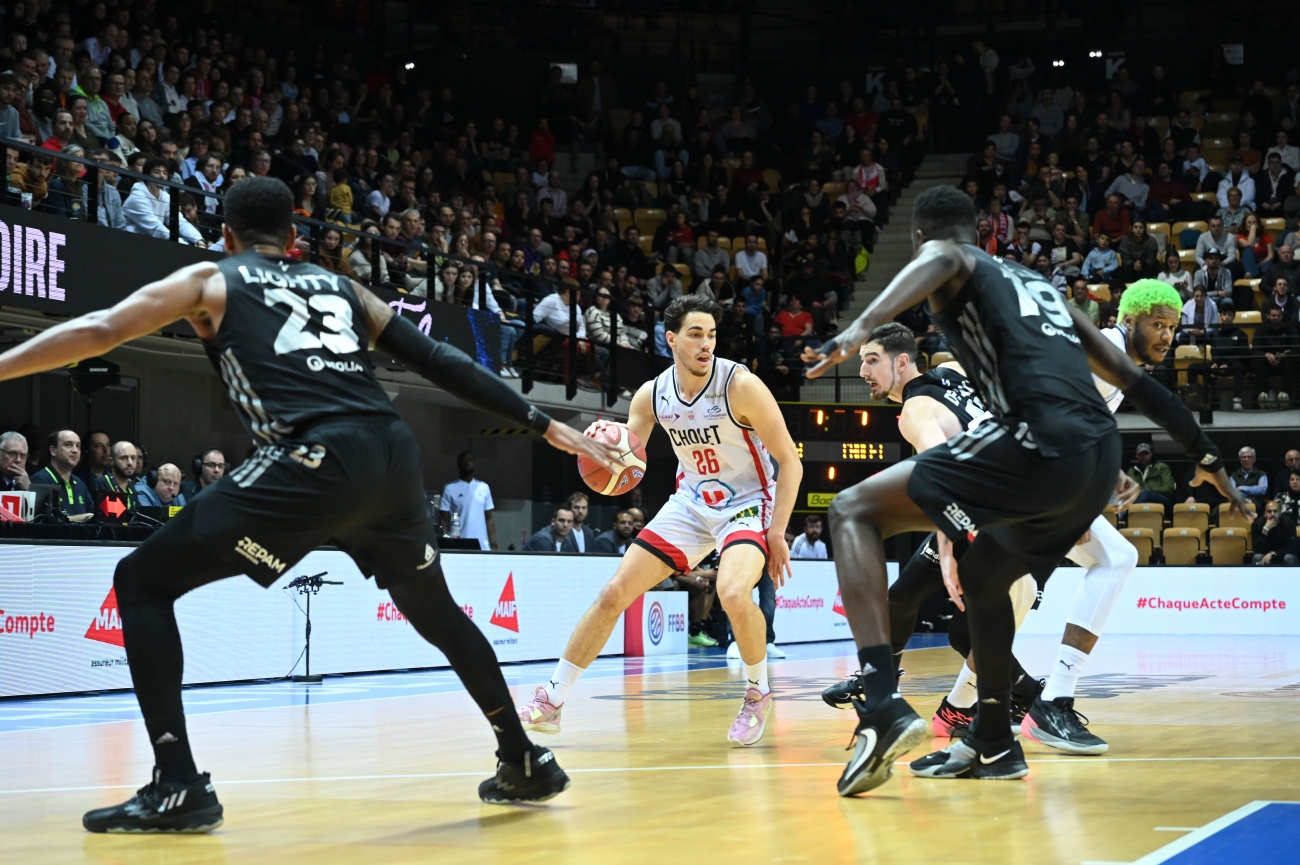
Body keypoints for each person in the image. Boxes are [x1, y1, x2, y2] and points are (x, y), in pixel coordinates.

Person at [0, 177, 623, 831]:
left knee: (141, 579)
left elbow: (100, 329)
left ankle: (177, 783)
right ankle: (521, 756)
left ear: (226, 235)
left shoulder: (210, 279)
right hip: (391, 452)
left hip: (317, 457)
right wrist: (539, 421)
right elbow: (438, 358)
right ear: (295, 238)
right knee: (437, 612)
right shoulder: (341, 287)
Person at [802, 187, 1249, 793]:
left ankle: (880, 701)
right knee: (987, 579)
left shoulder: (950, 259)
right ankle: (994, 739)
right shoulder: (1040, 288)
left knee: (853, 509)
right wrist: (1210, 458)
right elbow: (1141, 386)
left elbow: (938, 260)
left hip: (1032, 445)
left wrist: (850, 332)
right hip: (1095, 464)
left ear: (921, 239)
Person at [517, 293, 802, 747]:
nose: (706, 343)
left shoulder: (740, 385)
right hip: (690, 502)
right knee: (614, 592)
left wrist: (777, 531)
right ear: (671, 339)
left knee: (731, 591)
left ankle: (756, 691)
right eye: (695, 334)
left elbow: (790, 461)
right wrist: (597, 450)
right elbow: (628, 460)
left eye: (711, 334)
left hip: (748, 501)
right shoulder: (653, 394)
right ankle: (552, 698)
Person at [438, 450, 496, 551]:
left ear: (475, 464)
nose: (467, 462)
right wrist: (446, 543)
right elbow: (443, 519)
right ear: (458, 464)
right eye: (464, 460)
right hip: (458, 545)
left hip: (482, 546)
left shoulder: (484, 487)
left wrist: (494, 542)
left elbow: (489, 518)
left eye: (470, 460)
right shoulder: (449, 488)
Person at [30, 430, 94, 521]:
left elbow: (94, 517)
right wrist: (79, 518)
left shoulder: (80, 484)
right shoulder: (40, 480)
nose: (75, 450)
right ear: (53, 450)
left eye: (78, 446)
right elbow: (43, 521)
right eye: (68, 445)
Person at [96, 440, 141, 512]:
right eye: (123, 458)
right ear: (111, 461)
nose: (130, 463)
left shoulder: (131, 486)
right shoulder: (101, 484)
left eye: (133, 458)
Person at [1126, 443, 1175, 507]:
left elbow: (1169, 488)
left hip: (1161, 498)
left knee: (1144, 493)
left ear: (1151, 454)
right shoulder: (1132, 471)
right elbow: (1129, 490)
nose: (1143, 457)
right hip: (1138, 498)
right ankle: (1119, 516)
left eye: (1146, 454)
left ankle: (1139, 515)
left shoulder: (1162, 467)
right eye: (1140, 454)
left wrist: (1149, 490)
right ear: (1136, 456)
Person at [1252, 500, 1298, 566]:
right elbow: (1257, 549)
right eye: (1269, 511)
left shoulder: (1289, 524)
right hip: (1265, 556)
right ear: (1265, 513)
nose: (1272, 514)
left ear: (1280, 513)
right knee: (1257, 557)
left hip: (1282, 555)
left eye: (1275, 511)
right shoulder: (1257, 524)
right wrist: (1265, 530)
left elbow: (1291, 548)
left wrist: (1273, 553)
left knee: (1289, 557)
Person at [1231, 446, 1269, 512]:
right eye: (1243, 457)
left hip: (1256, 508)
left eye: (1249, 457)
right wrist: (1251, 494)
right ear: (1240, 460)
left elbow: (1262, 490)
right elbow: (1232, 493)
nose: (1246, 459)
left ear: (1254, 459)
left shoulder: (1261, 474)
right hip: (1238, 507)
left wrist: (1242, 488)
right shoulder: (1234, 475)